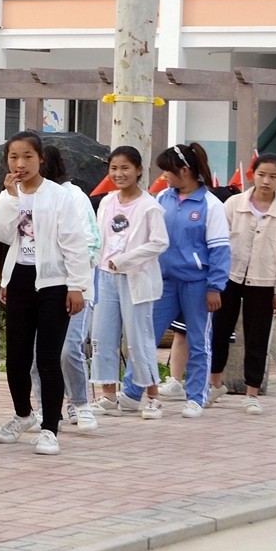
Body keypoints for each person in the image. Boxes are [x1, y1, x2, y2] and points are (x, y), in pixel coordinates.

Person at [0, 130, 92, 456]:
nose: (20, 164)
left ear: (41, 159)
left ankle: (50, 428)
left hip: (54, 282)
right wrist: (11, 199)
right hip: (19, 278)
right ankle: (23, 414)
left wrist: (76, 286)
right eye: (14, 157)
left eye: (27, 157)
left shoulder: (58, 196)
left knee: (47, 358)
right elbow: (1, 233)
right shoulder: (10, 194)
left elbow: (74, 243)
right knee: (16, 358)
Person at [121, 142, 229, 418]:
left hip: (198, 283)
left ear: (185, 170)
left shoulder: (210, 205)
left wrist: (215, 287)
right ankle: (132, 392)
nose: (164, 177)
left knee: (197, 340)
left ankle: (195, 397)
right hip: (163, 281)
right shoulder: (161, 199)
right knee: (145, 336)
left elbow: (220, 250)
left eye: (168, 171)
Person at [89, 146, 169, 420]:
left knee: (138, 339)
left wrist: (125, 260)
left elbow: (159, 243)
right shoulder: (107, 202)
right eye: (114, 168)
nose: (119, 174)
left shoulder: (150, 207)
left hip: (136, 279)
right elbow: (99, 239)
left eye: (125, 168)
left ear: (138, 170)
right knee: (102, 335)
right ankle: (109, 395)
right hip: (105, 277)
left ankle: (153, 397)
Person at [209, 153, 276, 413]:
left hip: (264, 281)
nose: (266, 181)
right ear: (252, 174)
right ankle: (214, 384)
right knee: (220, 331)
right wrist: (214, 279)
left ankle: (252, 392)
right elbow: (218, 242)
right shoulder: (233, 204)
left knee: (258, 337)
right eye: (261, 174)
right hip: (229, 277)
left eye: (273, 176)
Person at [28, 146, 102, 432]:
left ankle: (80, 403)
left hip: (73, 289)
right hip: (39, 289)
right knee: (39, 354)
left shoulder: (73, 196)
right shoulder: (28, 197)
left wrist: (77, 284)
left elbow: (91, 244)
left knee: (68, 350)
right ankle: (46, 409)